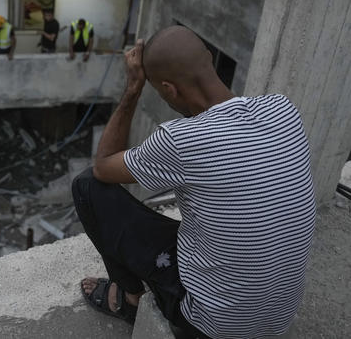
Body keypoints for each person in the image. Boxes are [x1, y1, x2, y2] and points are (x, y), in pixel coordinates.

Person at [74, 25, 316, 339]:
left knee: (86, 187)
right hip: (278, 317)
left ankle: (129, 299)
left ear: (169, 90)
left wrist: (133, 88)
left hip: (214, 322)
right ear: (209, 60)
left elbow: (103, 167)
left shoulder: (181, 139)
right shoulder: (283, 110)